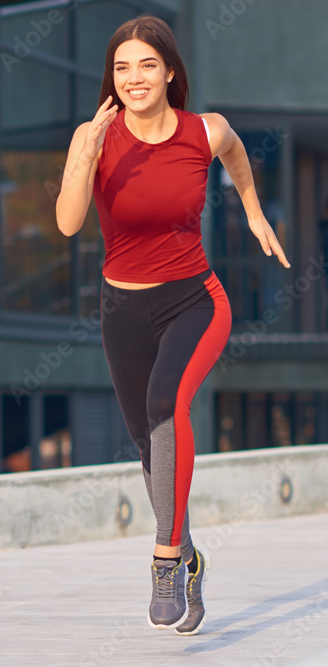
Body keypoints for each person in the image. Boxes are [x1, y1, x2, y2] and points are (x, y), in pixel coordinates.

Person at [55, 15, 289, 636]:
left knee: (166, 405)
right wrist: (83, 157)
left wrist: (253, 209)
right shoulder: (94, 137)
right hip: (121, 310)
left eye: (146, 65)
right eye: (122, 67)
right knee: (147, 443)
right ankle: (190, 557)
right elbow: (68, 223)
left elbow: (236, 153)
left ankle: (164, 560)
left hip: (195, 302)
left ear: (169, 72)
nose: (133, 78)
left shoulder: (204, 131)